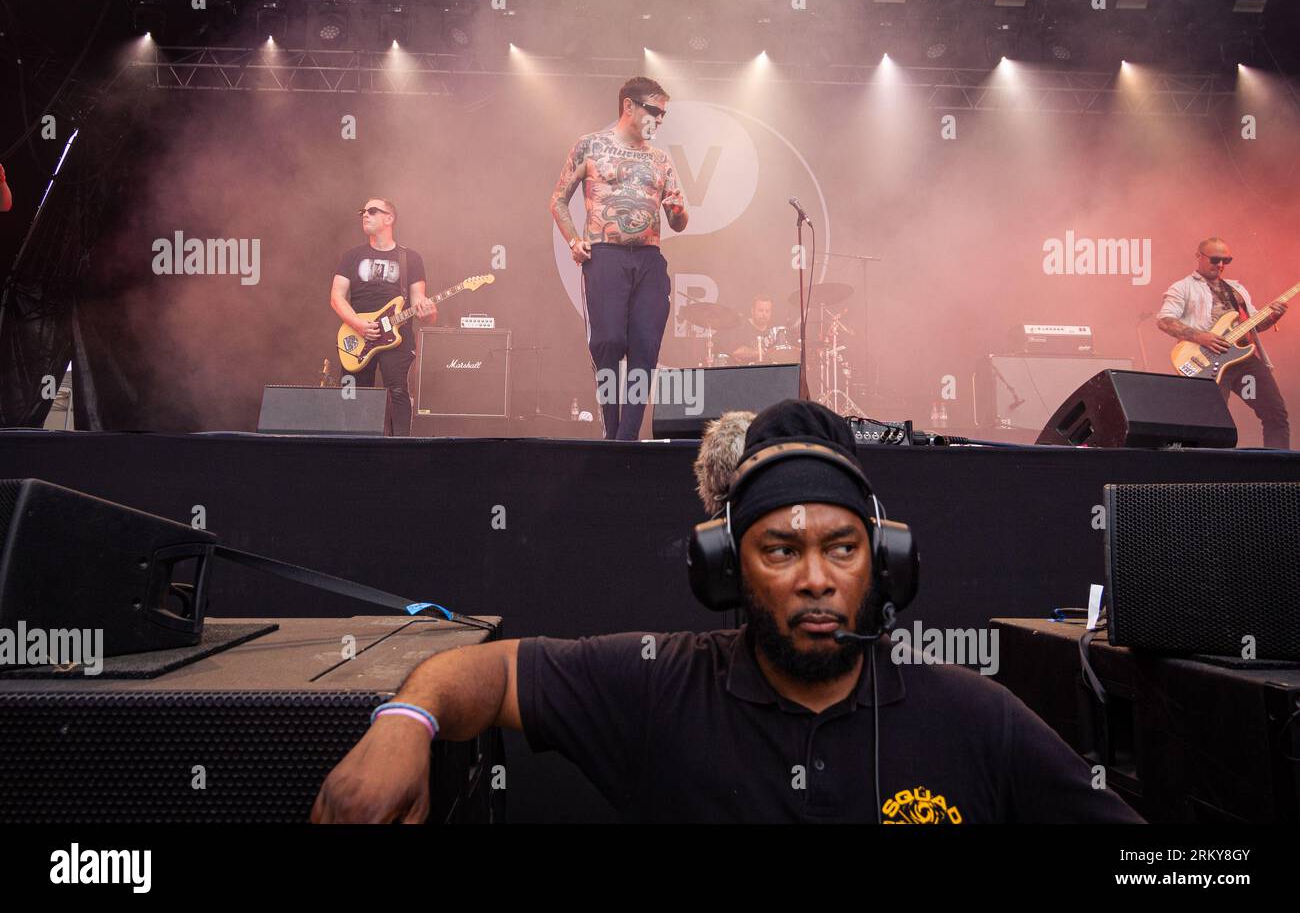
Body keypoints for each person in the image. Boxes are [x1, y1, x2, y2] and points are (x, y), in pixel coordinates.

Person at [312, 400, 1143, 823]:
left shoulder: (975, 719)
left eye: (842, 549)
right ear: (726, 569)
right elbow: (485, 672)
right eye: (781, 550)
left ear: (884, 563)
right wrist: (406, 722)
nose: (816, 577)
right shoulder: (655, 687)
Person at [550, 76, 689, 440]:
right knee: (608, 340)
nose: (659, 120)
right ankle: (611, 432)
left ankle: (627, 439)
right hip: (606, 256)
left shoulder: (660, 159)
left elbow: (679, 220)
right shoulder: (591, 146)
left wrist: (678, 209)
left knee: (645, 347)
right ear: (629, 106)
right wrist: (573, 240)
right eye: (654, 111)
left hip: (648, 258)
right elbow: (558, 200)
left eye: (663, 115)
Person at [1156, 236, 1289, 449]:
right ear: (1199, 256)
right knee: (1212, 420)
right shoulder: (1183, 287)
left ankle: (1279, 468)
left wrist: (1273, 316)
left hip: (1244, 361)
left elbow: (1254, 325)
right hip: (1210, 361)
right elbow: (1164, 320)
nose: (1220, 265)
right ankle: (1212, 472)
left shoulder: (1237, 289)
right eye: (1215, 259)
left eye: (1226, 261)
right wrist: (1201, 336)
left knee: (1276, 413)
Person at [329, 198, 437, 437]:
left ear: (389, 218)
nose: (364, 215)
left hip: (397, 335)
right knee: (354, 393)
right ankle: (353, 450)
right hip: (357, 334)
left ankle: (400, 449)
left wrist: (428, 312)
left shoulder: (411, 258)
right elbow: (337, 297)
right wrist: (358, 324)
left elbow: (419, 300)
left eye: (372, 211)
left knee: (397, 391)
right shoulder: (351, 256)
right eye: (362, 211)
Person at [719, 295, 777, 363]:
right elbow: (736, 352)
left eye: (767, 311)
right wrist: (763, 352)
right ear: (752, 311)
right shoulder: (741, 327)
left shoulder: (774, 330)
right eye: (761, 310)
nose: (764, 314)